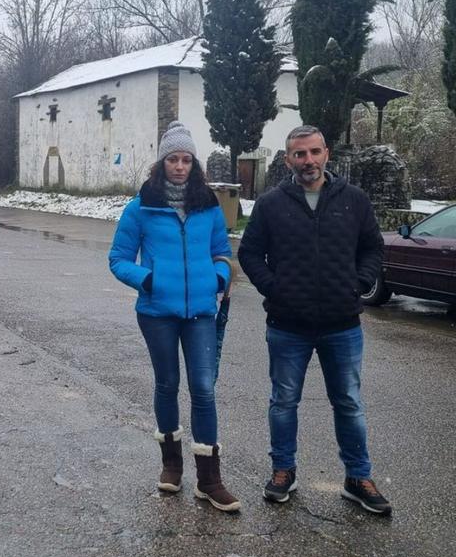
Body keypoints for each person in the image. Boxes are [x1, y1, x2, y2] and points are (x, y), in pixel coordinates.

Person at [237, 125, 392, 515]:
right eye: (299, 154)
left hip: (342, 324)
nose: (308, 161)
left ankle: (358, 477)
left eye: (314, 152)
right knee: (284, 401)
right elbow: (250, 253)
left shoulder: (353, 200)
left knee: (349, 403)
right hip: (288, 324)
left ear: (327, 154)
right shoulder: (272, 204)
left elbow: (373, 247)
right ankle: (283, 471)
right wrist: (275, 289)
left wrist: (357, 283)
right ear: (288, 159)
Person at [108, 121, 240, 512]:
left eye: (186, 159)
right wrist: (148, 280)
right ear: (162, 162)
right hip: (156, 312)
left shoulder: (208, 205)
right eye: (173, 159)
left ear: (194, 164)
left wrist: (217, 277)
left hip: (201, 311)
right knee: (167, 383)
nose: (180, 166)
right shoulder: (141, 207)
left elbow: (221, 251)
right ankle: (170, 465)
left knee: (203, 387)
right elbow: (117, 260)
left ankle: (210, 479)